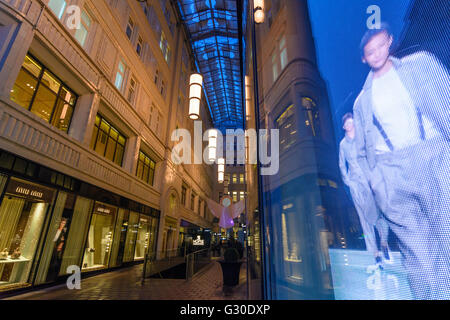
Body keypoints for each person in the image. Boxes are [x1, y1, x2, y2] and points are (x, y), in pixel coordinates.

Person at [353, 23, 450, 299]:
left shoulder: (420, 64)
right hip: (392, 172)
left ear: (390, 42)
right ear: (364, 58)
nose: (377, 54)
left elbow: (446, 99)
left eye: (381, 45)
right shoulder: (362, 102)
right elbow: (363, 153)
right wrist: (377, 185)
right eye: (370, 51)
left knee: (447, 234)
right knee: (418, 254)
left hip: (433, 156)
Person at [339, 112, 390, 268]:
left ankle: (384, 242)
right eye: (347, 124)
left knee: (379, 214)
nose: (349, 125)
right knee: (364, 220)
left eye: (351, 122)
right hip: (357, 186)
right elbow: (342, 164)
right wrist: (349, 182)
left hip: (370, 181)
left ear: (354, 123)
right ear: (344, 127)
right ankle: (374, 254)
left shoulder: (361, 137)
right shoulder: (343, 144)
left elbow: (372, 152)